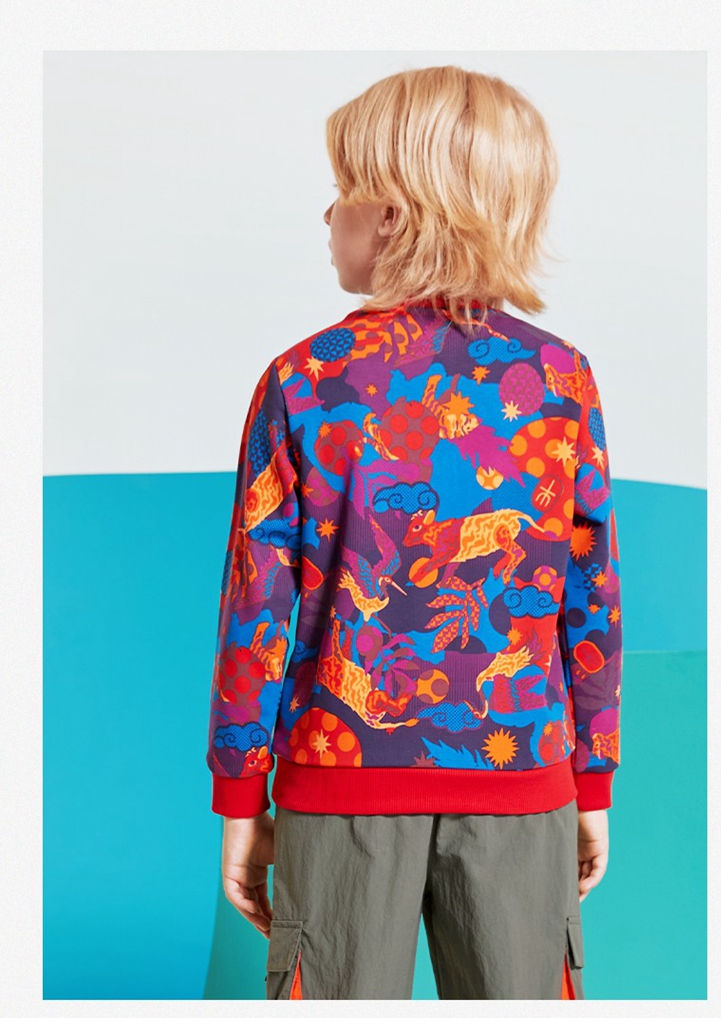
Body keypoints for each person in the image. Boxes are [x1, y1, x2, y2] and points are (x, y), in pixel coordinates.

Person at [206, 64, 623, 1001]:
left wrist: (239, 794)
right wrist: (590, 778)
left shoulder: (304, 381)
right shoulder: (562, 380)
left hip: (339, 785)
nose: (327, 216)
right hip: (525, 776)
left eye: (342, 192)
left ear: (390, 215)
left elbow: (256, 608)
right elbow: (591, 596)